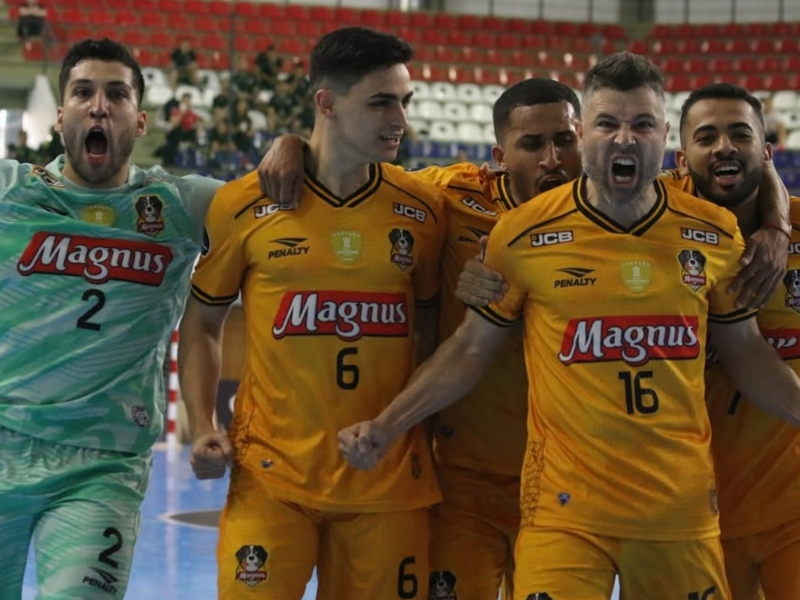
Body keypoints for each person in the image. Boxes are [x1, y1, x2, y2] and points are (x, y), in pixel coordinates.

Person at [259, 76, 788, 600]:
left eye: (642, 124)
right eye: (608, 123)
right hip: (552, 501)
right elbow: (469, 346)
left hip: (679, 508)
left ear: (663, 135)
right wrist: (387, 424)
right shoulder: (515, 232)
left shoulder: (711, 229)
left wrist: (778, 226)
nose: (624, 138)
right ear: (588, 133)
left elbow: (747, 348)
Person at [178, 27, 445, 600]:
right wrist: (202, 425)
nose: (399, 118)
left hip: (388, 482)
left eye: (405, 102)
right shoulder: (244, 203)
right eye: (380, 102)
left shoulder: (424, 209)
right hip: (271, 477)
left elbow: (431, 333)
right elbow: (200, 323)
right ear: (326, 103)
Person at [0, 38, 224, 599]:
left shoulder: (183, 204)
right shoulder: (10, 191)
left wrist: (291, 148)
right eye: (83, 92)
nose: (99, 105)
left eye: (116, 94)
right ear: (60, 117)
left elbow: (298, 204)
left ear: (139, 119)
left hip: (102, 468)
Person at [678, 83, 800, 600]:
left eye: (739, 135)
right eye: (706, 137)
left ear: (767, 153)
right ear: (682, 158)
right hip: (691, 521)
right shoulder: (656, 231)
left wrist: (778, 226)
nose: (724, 147)